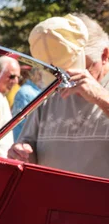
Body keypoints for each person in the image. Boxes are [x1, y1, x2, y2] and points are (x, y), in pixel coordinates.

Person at [8, 14, 109, 178]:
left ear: (104, 56)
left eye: (82, 69)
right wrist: (22, 152)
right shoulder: (51, 91)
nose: (69, 81)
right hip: (51, 200)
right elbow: (28, 144)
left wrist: (100, 97)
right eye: (63, 73)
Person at [11, 67, 44, 140]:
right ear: (37, 74)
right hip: (23, 140)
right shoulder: (26, 92)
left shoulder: (34, 91)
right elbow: (25, 122)